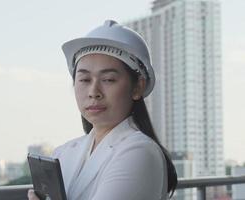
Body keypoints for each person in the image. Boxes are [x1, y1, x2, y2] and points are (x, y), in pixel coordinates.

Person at [28, 20, 177, 200]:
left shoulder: (140, 152)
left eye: (108, 80)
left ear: (137, 87)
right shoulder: (63, 153)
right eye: (84, 80)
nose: (93, 92)